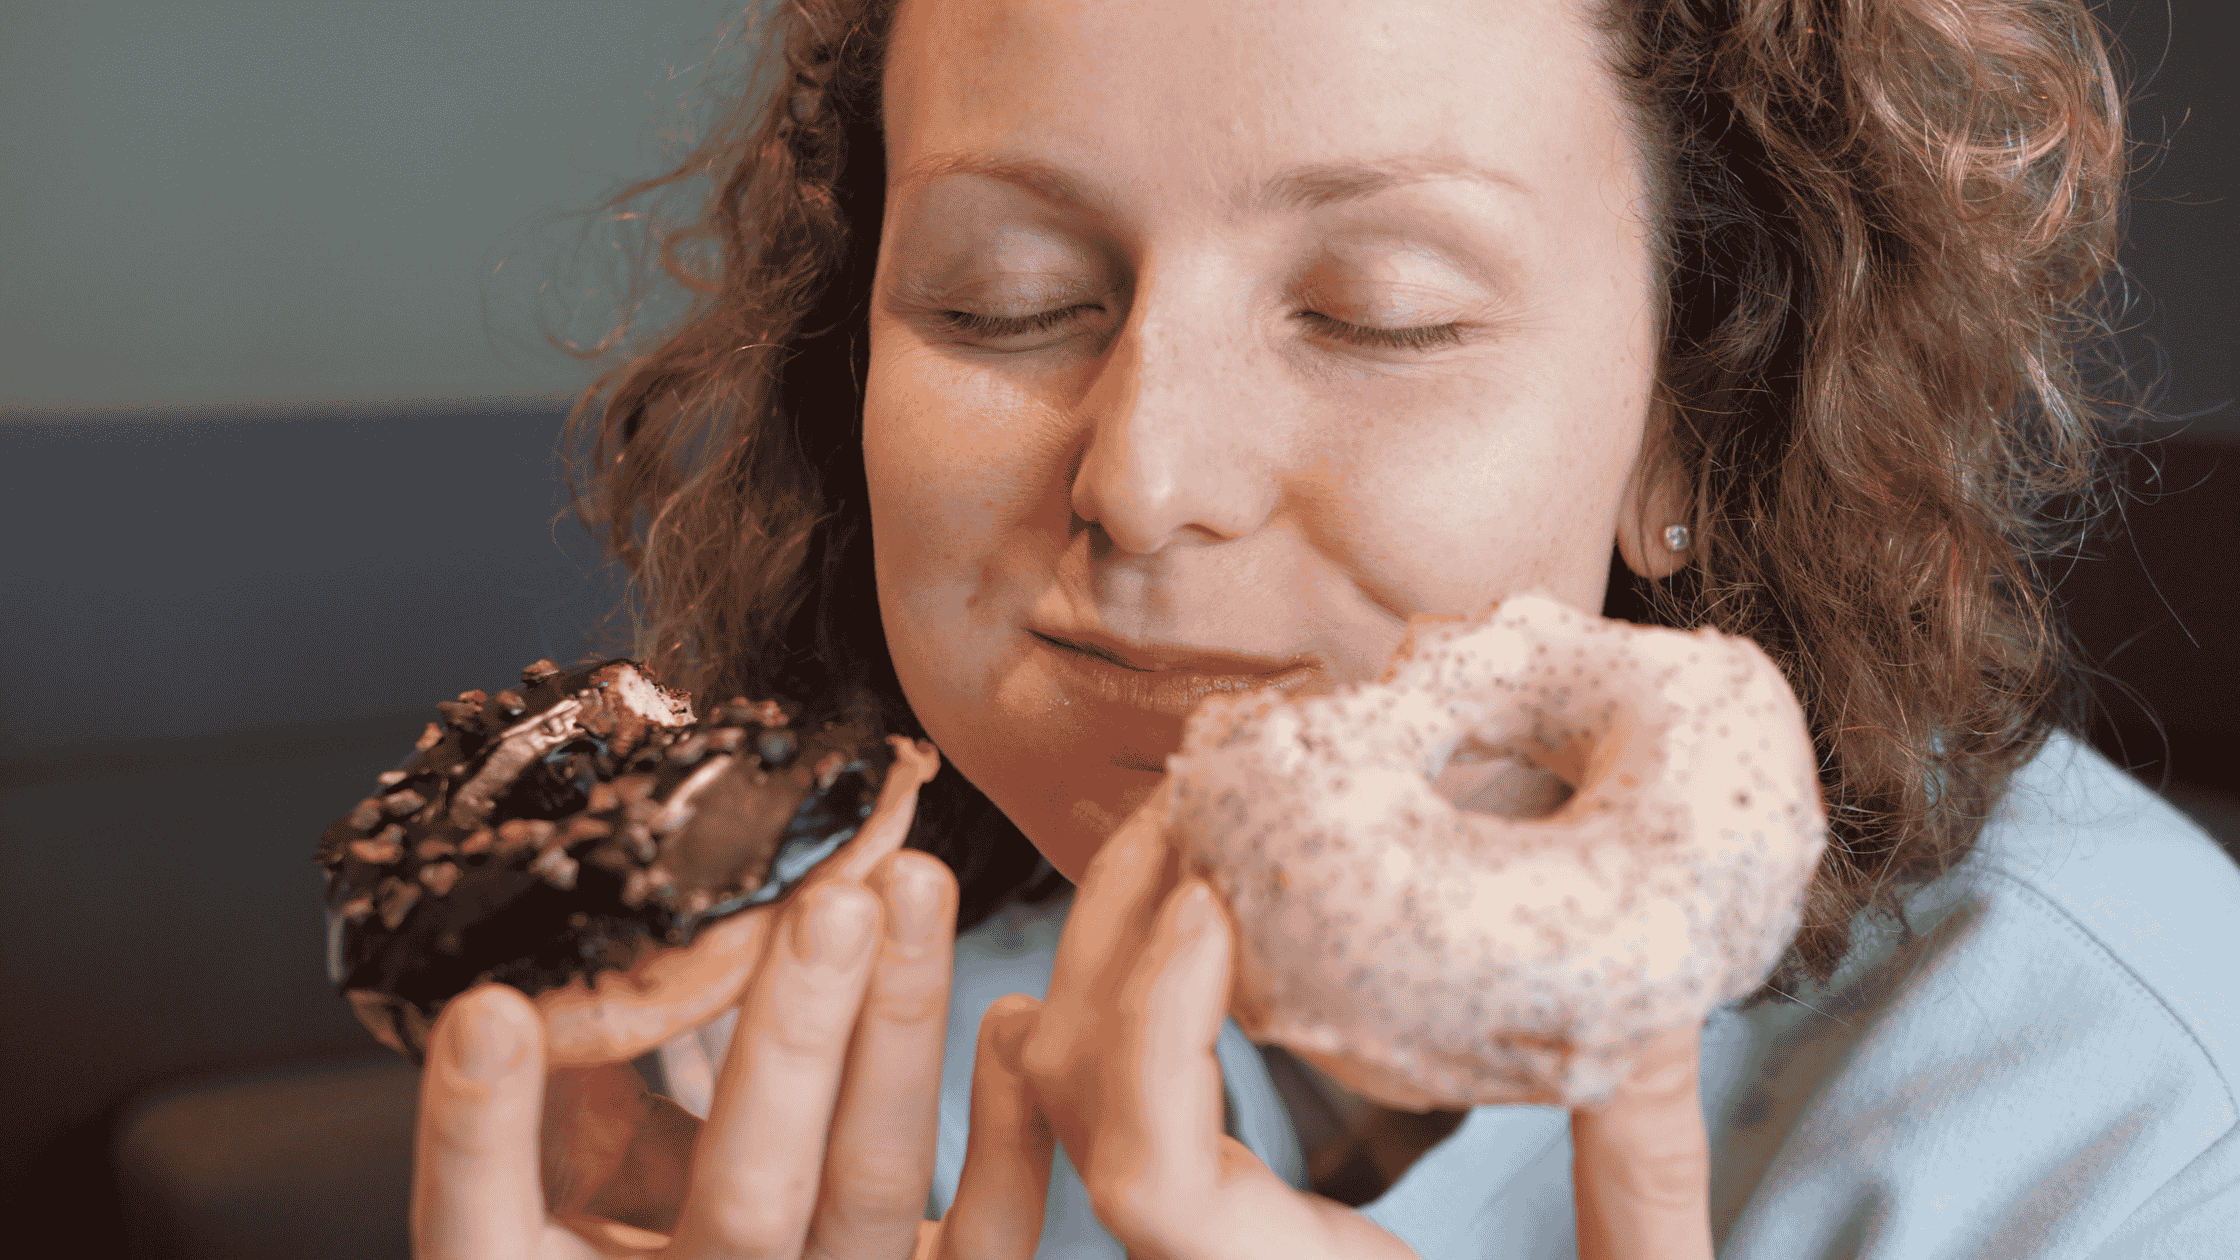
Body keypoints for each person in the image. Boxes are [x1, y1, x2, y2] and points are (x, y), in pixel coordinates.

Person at [399, 0, 2240, 1256]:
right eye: (1004, 298)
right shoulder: (804, 1042)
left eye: (1376, 313)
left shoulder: (2137, 1115)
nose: (1145, 479)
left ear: (1693, 420)